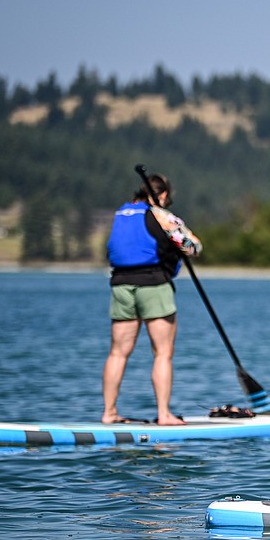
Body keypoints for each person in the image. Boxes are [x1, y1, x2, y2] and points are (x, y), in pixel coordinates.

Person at [100, 173, 201, 425]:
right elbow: (193, 247)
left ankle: (108, 412)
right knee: (163, 352)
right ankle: (165, 414)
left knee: (118, 353)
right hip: (154, 284)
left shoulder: (120, 213)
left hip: (121, 285)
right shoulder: (162, 215)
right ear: (163, 195)